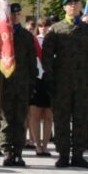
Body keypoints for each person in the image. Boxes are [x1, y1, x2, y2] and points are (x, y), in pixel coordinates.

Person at [42, 0, 88, 168]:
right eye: (69, 4)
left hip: (83, 84)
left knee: (81, 119)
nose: (73, 6)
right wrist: (50, 78)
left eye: (76, 3)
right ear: (64, 8)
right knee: (61, 119)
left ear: (80, 7)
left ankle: (78, 154)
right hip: (62, 84)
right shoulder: (56, 30)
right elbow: (47, 56)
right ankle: (63, 154)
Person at [0, 3, 39, 166]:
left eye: (17, 14)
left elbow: (32, 63)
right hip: (5, 83)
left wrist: (31, 83)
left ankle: (18, 152)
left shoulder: (26, 36)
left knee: (20, 120)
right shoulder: (1, 35)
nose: (15, 17)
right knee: (7, 120)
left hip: (22, 84)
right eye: (12, 14)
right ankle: (7, 151)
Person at [28, 17, 54, 157]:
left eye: (46, 25)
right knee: (35, 115)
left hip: (49, 79)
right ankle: (37, 144)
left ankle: (45, 145)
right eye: (41, 26)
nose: (44, 28)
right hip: (37, 79)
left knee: (49, 116)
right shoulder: (33, 40)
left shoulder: (54, 40)